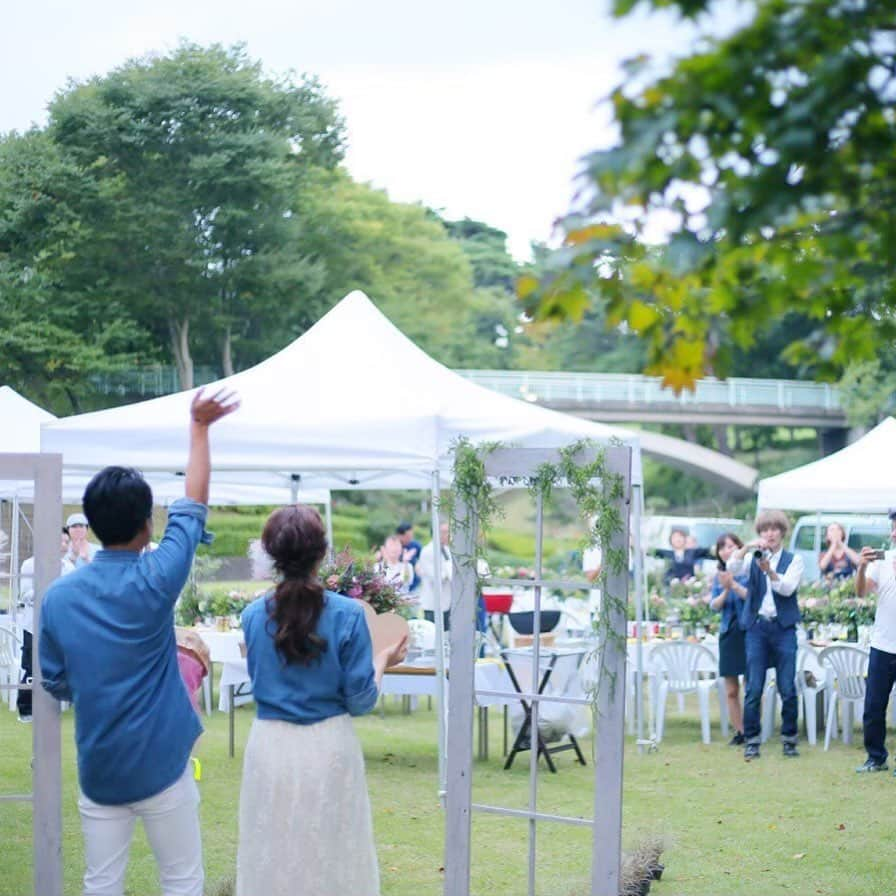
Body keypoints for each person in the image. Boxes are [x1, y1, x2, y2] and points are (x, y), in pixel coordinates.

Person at [39, 388, 238, 896]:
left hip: (100, 764)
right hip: (164, 763)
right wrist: (198, 428)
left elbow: (57, 680)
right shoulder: (157, 577)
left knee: (100, 884)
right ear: (147, 524)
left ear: (90, 523)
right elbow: (192, 507)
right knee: (182, 881)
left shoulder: (58, 599)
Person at [236, 504, 407, 895]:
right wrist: (382, 660)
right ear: (321, 553)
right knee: (333, 854)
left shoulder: (251, 615)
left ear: (271, 552)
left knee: (273, 850)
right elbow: (361, 700)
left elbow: (260, 677)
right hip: (328, 743)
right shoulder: (347, 615)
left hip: (270, 743)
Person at [727, 510, 804, 760]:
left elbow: (787, 588)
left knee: (787, 687)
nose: (770, 533)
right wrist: (748, 546)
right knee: (753, 687)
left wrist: (769, 571)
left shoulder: (794, 560)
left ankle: (789, 739)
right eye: (765, 530)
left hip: (783, 628)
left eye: (774, 529)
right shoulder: (753, 556)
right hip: (757, 628)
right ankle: (752, 740)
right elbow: (732, 566)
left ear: (782, 532)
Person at [854, 508, 896, 773]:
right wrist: (861, 567)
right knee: (873, 705)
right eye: (893, 528)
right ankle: (876, 757)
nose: (893, 533)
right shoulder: (882, 560)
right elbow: (861, 592)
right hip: (883, 643)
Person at [15, 528, 70, 722]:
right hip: (34, 625)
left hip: (58, 626)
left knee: (55, 667)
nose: (64, 546)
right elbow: (25, 595)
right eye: (60, 542)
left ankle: (51, 708)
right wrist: (48, 588)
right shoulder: (30, 564)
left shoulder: (67, 567)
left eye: (66, 542)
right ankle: (25, 709)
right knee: (31, 668)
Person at [709, 533, 750, 746]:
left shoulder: (747, 572)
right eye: (722, 547)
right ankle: (740, 731)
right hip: (728, 632)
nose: (726, 550)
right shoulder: (718, 575)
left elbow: (751, 598)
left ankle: (752, 728)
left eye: (731, 546)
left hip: (749, 632)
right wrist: (725, 590)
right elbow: (714, 605)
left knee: (751, 684)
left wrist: (733, 585)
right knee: (731, 689)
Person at [418, 521, 452, 631]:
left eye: (448, 531)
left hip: (446, 603)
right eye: (445, 532)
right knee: (433, 638)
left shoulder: (446, 549)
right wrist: (448, 571)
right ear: (436, 533)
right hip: (432, 604)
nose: (448, 535)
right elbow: (436, 578)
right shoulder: (427, 551)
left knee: (446, 636)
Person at [396, 521, 422, 591]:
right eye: (408, 536)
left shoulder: (416, 546)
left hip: (415, 585)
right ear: (399, 536)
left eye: (411, 536)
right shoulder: (394, 548)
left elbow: (422, 560)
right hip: (398, 586)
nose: (410, 538)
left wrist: (418, 564)